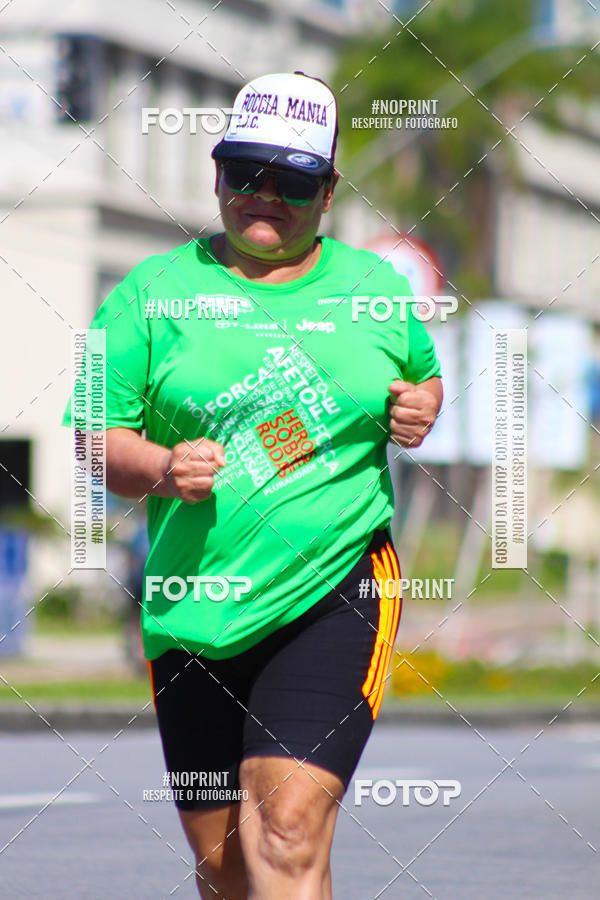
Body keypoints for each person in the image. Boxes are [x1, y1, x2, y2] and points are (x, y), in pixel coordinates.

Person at [64, 71, 442, 900]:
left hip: (333, 590)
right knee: (227, 868)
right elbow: (95, 437)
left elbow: (422, 382)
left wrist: (421, 409)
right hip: (193, 601)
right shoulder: (149, 295)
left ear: (328, 190)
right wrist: (161, 467)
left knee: (287, 828)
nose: (264, 196)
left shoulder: (374, 290)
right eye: (246, 174)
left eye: (293, 181)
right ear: (217, 174)